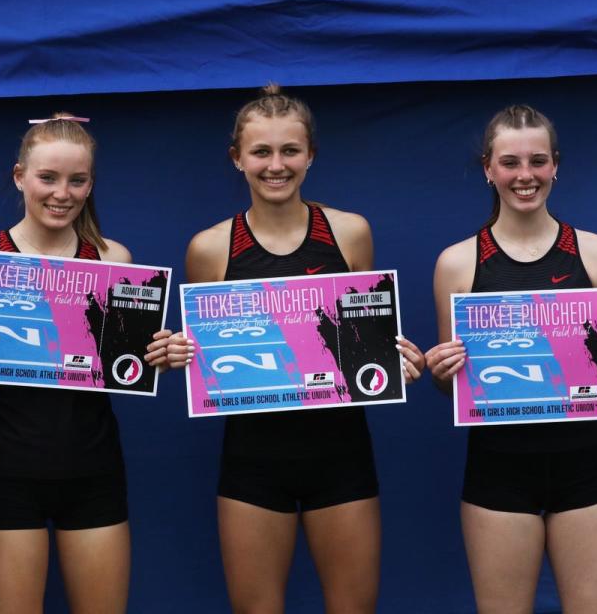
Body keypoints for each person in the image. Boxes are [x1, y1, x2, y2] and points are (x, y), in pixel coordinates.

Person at [162, 85, 427, 613]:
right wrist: (177, 355)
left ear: (311, 155)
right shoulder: (210, 248)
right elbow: (204, 362)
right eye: (261, 152)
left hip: (342, 455)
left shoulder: (349, 233)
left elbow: (366, 338)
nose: (276, 165)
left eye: (290, 151)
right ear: (238, 158)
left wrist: (397, 359)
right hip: (252, 461)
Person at [425, 105, 597, 614]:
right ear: (488, 168)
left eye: (538, 161)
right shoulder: (456, 263)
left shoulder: (595, 253)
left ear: (555, 166)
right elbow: (452, 388)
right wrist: (442, 371)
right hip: (497, 472)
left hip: (586, 468)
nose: (525, 175)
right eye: (510, 162)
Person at [0, 115, 167, 614]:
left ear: (91, 184)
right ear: (20, 176)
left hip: (94, 469)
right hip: (9, 471)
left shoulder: (113, 259)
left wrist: (160, 354)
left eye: (77, 180)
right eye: (48, 177)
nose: (62, 193)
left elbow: (130, 367)